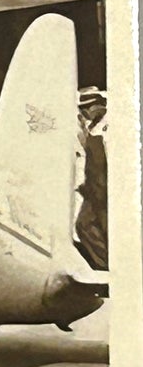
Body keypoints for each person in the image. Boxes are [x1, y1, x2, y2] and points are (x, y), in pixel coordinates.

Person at [76, 86, 108, 271]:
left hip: (105, 185)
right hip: (94, 186)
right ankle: (103, 265)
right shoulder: (92, 128)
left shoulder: (111, 124)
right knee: (84, 225)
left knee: (98, 226)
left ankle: (109, 266)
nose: (87, 113)